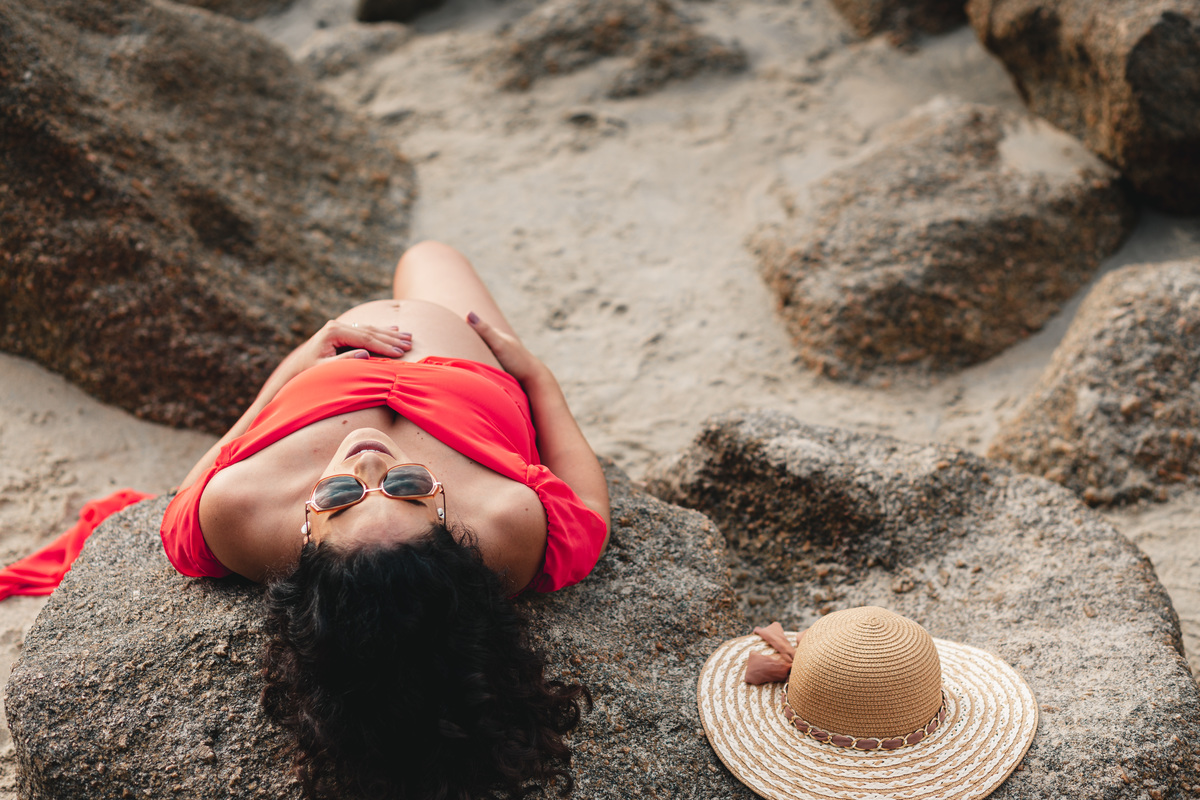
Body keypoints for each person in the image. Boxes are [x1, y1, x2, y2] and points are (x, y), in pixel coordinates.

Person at [160, 241, 611, 800]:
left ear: (308, 535)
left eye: (339, 496)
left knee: (424, 255)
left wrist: (293, 369)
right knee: (430, 254)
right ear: (446, 520)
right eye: (408, 488)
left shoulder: (237, 510)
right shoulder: (506, 523)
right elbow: (590, 513)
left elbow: (202, 476)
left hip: (342, 349)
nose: (369, 461)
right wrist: (538, 378)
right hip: (466, 356)